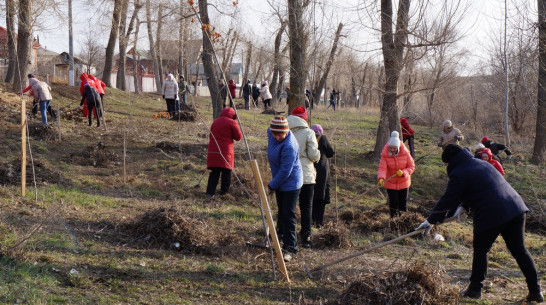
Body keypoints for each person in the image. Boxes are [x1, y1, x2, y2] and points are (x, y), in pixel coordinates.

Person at [416, 145, 543, 302]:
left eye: (445, 164)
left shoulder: (459, 172)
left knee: (481, 250)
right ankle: (536, 291)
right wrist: (464, 206)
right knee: (520, 251)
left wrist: (430, 220)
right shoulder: (480, 163)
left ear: (450, 162)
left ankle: (475, 290)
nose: (446, 167)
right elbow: (482, 187)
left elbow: (448, 199)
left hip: (492, 212)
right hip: (515, 207)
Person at [267, 116, 303, 262]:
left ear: (287, 131)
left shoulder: (289, 146)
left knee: (288, 215)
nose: (277, 137)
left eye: (280, 134)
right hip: (279, 180)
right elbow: (272, 130)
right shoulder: (271, 132)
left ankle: (291, 248)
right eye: (275, 134)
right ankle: (278, 238)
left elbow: (285, 172)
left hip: (291, 183)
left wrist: (271, 185)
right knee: (281, 212)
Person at [287, 106, 320, 248]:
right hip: (306, 175)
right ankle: (306, 237)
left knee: (290, 207)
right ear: (305, 118)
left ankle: (286, 235)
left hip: (290, 174)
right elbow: (313, 154)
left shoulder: (285, 131)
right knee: (306, 207)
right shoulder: (309, 132)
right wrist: (318, 156)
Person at [206, 107, 242, 198]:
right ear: (233, 116)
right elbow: (238, 137)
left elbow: (211, 136)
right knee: (226, 172)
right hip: (226, 151)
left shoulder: (215, 122)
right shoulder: (232, 122)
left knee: (214, 173)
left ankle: (210, 193)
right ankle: (224, 194)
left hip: (213, 151)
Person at [377, 131, 415, 218]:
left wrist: (403, 173)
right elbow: (382, 168)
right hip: (390, 183)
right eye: (390, 148)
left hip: (404, 182)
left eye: (394, 148)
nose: (392, 150)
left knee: (403, 203)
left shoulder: (405, 153)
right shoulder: (385, 155)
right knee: (393, 203)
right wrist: (381, 178)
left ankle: (403, 220)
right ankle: (393, 221)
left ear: (398, 147)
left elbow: (412, 166)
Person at [311, 124, 335, 227]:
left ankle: (311, 220)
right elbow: (330, 153)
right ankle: (318, 222)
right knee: (321, 195)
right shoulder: (323, 138)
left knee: (311, 195)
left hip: (311, 168)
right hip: (322, 169)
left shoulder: (309, 137)